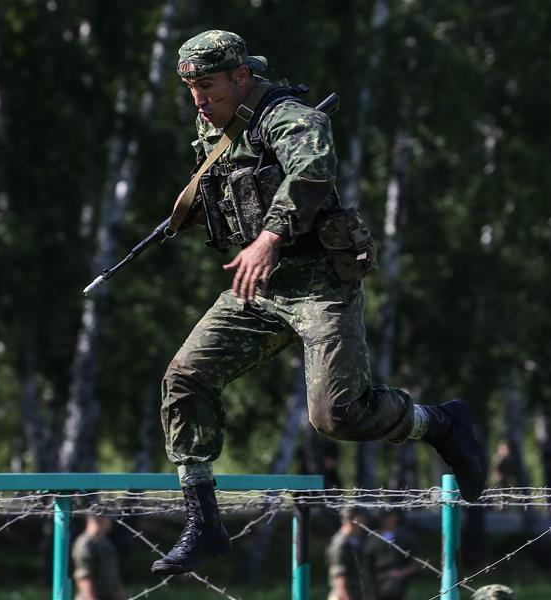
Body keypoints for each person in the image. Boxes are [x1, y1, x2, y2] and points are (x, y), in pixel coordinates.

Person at [150, 29, 486, 576]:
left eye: (208, 87)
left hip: (318, 284)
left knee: (337, 415)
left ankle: (440, 424)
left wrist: (267, 236)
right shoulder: (214, 125)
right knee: (184, 377)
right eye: (191, 89)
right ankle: (203, 519)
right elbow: (237, 183)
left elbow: (311, 172)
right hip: (259, 288)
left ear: (241, 77)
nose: (199, 101)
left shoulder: (291, 118)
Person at [363, 509, 419, 600]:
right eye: (385, 517)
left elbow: (415, 562)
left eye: (391, 516)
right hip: (378, 580)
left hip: (398, 581)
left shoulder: (406, 537)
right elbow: (367, 565)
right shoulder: (374, 538)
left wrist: (402, 573)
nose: (389, 520)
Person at [71, 513, 126, 600]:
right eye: (109, 518)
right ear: (102, 518)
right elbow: (84, 578)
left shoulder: (105, 542)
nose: (111, 522)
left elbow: (112, 575)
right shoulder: (85, 544)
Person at [327, 507, 372, 600]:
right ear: (354, 520)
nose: (364, 522)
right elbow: (339, 576)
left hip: (355, 594)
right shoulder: (341, 543)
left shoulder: (355, 539)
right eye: (362, 518)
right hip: (343, 595)